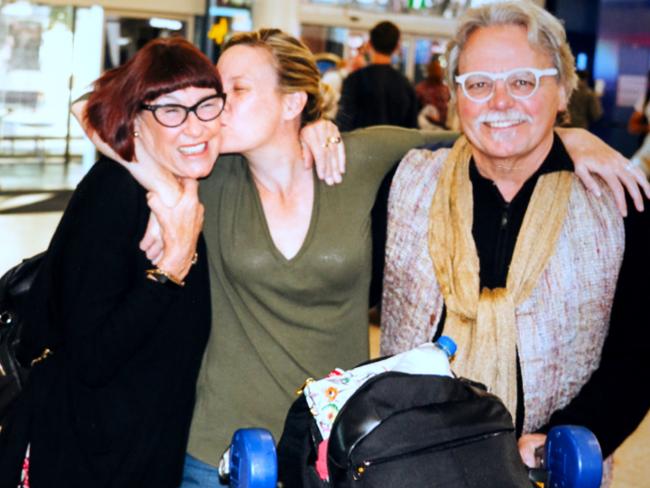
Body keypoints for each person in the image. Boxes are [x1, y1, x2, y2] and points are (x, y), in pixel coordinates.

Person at [74, 28, 646, 488]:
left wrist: (576, 138)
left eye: (235, 91)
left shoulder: (360, 159)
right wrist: (164, 193)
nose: (215, 107)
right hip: (219, 446)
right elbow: (97, 116)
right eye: (216, 90)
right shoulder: (208, 174)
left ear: (293, 101)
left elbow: (483, 135)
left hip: (338, 445)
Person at [379, 2, 650, 484]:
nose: (500, 102)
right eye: (479, 84)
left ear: (563, 90)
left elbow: (639, 353)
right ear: (455, 97)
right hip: (409, 465)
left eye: (523, 81)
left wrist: (563, 437)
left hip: (553, 468)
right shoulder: (405, 186)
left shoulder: (620, 205)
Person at [0, 37, 219, 487]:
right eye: (171, 111)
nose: (195, 127)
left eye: (207, 105)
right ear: (137, 122)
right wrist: (168, 273)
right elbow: (92, 358)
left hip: (141, 448)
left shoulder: (182, 190)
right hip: (87, 458)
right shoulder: (114, 195)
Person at [335, 21, 418, 131]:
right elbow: (412, 130)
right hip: (397, 147)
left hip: (360, 146)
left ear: (369, 43)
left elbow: (344, 123)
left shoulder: (354, 79)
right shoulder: (406, 84)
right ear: (397, 47)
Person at [415, 56, 451, 130]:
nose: (439, 72)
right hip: (427, 126)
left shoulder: (445, 89)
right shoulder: (421, 89)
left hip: (439, 127)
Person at [628, 70, 650, 177]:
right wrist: (646, 128)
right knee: (633, 175)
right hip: (647, 148)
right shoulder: (646, 99)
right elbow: (632, 127)